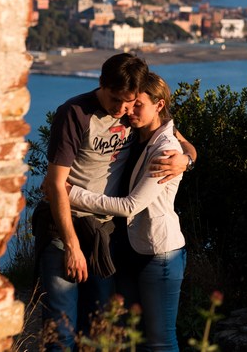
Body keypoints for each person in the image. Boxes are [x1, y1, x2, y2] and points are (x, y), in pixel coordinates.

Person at [35, 53, 196, 351]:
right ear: (102, 84)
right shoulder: (75, 113)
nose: (123, 109)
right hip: (64, 230)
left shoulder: (133, 115)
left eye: (131, 102)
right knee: (61, 329)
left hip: (103, 234)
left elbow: (175, 136)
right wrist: (72, 247)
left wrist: (186, 159)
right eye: (117, 100)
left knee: (101, 328)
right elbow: (57, 184)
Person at [67, 72, 187, 351]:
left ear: (159, 105)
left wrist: (71, 193)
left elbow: (130, 205)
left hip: (160, 253)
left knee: (160, 340)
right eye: (129, 104)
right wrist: (190, 156)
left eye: (138, 105)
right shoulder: (136, 130)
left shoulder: (165, 150)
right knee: (131, 334)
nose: (129, 111)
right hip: (130, 249)